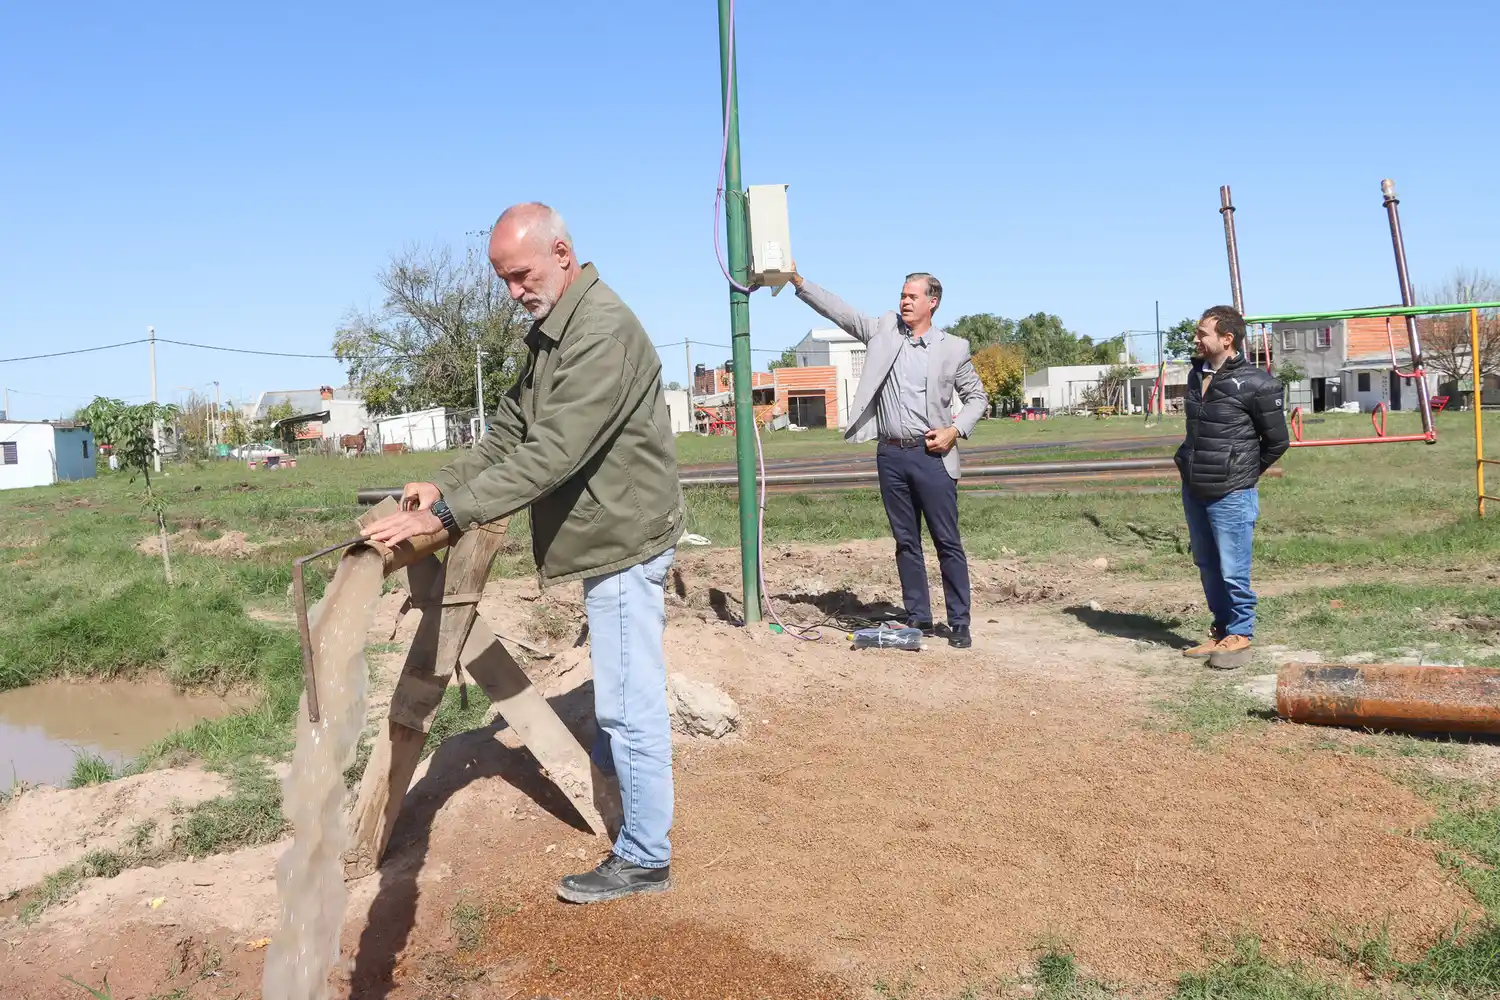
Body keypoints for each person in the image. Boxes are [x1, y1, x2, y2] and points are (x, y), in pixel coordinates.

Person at [362, 202, 685, 904]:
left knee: (629, 705)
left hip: (625, 538)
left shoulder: (600, 333)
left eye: (522, 274)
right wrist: (443, 483)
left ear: (563, 251)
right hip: (609, 533)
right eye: (504, 279)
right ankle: (626, 802)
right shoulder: (553, 331)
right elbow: (511, 430)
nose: (515, 291)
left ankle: (645, 857)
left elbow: (552, 454)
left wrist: (449, 513)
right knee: (621, 698)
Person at [788, 266, 988, 648]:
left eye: (913, 296)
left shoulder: (954, 348)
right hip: (891, 456)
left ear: (933, 302)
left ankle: (959, 622)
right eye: (902, 295)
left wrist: (955, 430)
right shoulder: (883, 331)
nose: (905, 302)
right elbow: (840, 311)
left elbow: (978, 398)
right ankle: (920, 618)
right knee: (906, 541)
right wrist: (800, 283)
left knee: (947, 541)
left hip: (932, 455)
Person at [1174, 305, 1289, 669]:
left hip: (1232, 492)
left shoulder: (1259, 384)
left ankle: (1240, 635)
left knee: (1232, 569)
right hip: (1195, 487)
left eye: (1202, 333)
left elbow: (1277, 441)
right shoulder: (1196, 376)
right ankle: (1222, 630)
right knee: (1206, 563)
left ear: (1227, 338)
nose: (1196, 339)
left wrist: (1242, 474)